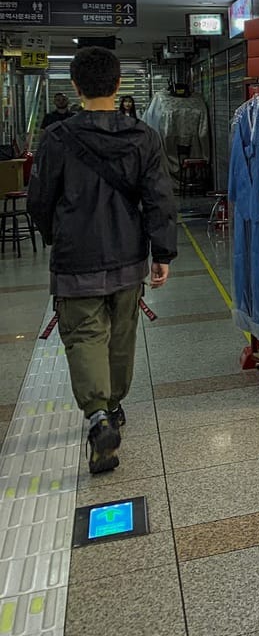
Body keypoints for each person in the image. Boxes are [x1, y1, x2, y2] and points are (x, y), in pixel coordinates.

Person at [27, 48, 177, 474]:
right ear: (118, 86)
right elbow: (158, 198)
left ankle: (98, 416)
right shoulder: (143, 136)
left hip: (76, 260)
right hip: (129, 257)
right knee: (121, 336)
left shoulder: (56, 137)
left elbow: (39, 200)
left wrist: (55, 235)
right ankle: (114, 404)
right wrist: (161, 252)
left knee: (85, 336)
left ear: (75, 86)